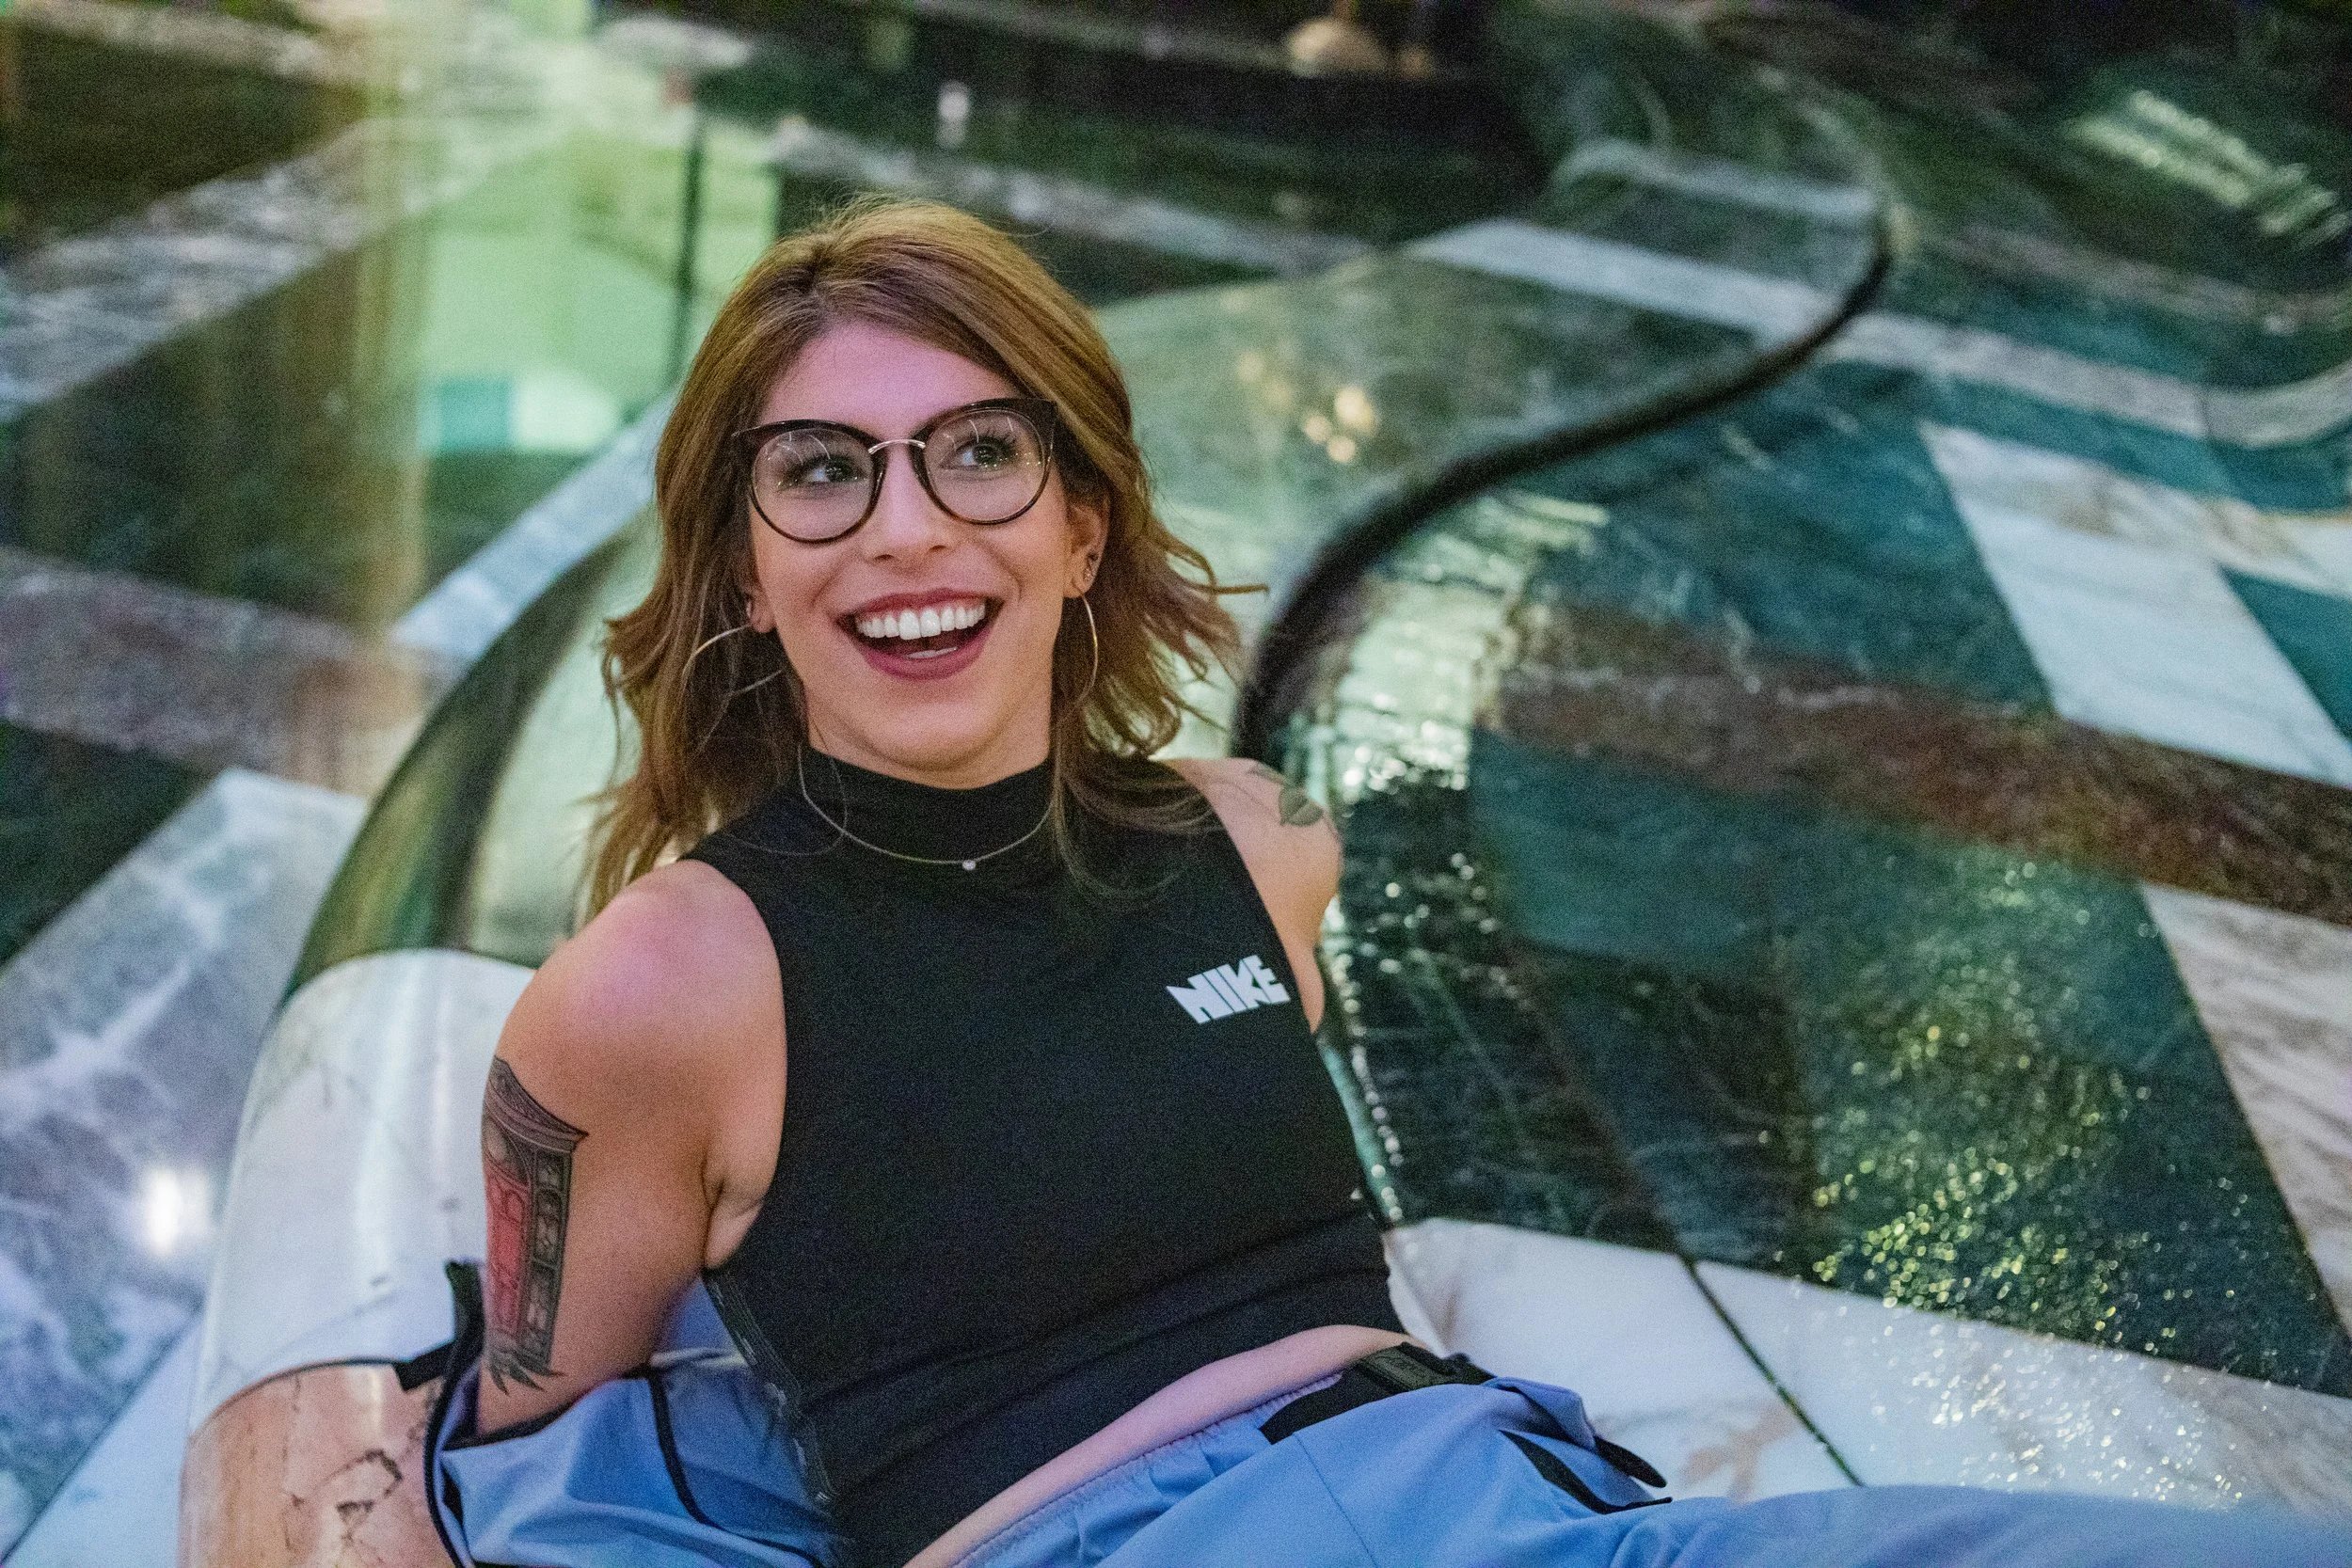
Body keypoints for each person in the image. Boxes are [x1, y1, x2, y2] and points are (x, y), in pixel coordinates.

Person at [421, 198, 2352, 1568]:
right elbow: (541, 1470)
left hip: (1516, 1499)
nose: (906, 528)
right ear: (743, 563)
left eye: (978, 456)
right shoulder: (667, 982)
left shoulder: (1251, 849)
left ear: (1083, 522)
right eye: (820, 472)